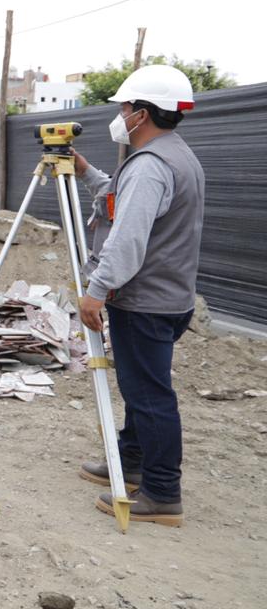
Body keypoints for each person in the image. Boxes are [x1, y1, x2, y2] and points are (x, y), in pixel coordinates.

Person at [74, 64, 204, 528]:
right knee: (140, 386)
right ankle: (130, 461)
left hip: (146, 300)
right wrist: (88, 173)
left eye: (125, 107)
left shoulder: (150, 166)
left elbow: (126, 238)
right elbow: (122, 199)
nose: (121, 114)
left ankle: (163, 493)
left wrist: (96, 290)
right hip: (170, 296)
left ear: (142, 113)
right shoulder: (175, 155)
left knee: (149, 395)